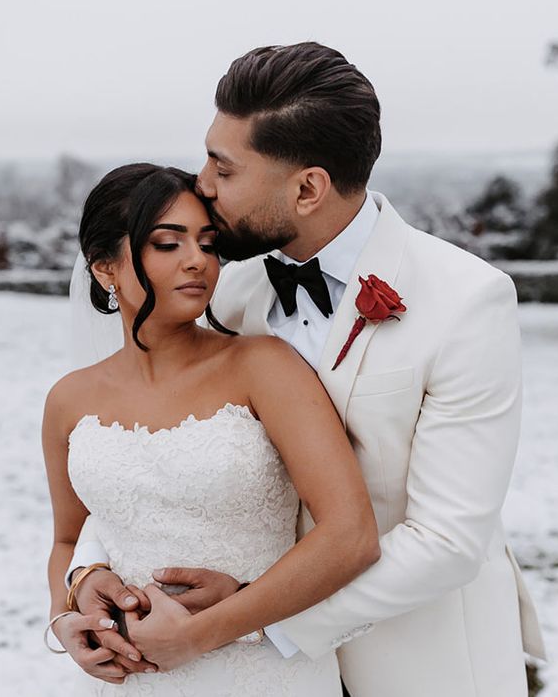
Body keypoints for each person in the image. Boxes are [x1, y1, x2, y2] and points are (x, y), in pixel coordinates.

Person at [65, 43, 546, 697]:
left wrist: (251, 620)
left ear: (308, 187)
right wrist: (84, 574)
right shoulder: (229, 291)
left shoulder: (466, 301)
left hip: (419, 661)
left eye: (224, 169)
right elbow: (151, 450)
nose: (201, 184)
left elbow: (447, 541)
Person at [43, 162, 381, 695]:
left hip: (263, 673)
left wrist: (197, 636)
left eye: (207, 242)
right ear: (105, 267)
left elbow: (351, 536)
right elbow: (68, 538)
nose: (198, 260)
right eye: (167, 244)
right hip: (131, 682)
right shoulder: (69, 400)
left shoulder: (263, 367)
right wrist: (72, 604)